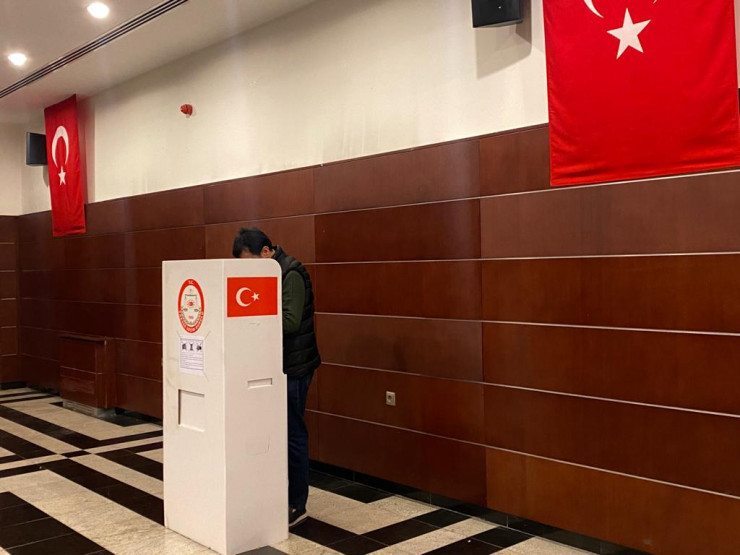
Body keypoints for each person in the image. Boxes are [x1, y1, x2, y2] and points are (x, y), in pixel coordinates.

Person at [232, 227, 321, 528]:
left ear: (266, 252)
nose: (248, 270)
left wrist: (249, 318)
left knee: (293, 433)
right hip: (273, 365)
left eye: (250, 262)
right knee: (276, 433)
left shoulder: (290, 272)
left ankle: (297, 504)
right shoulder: (268, 272)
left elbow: (291, 321)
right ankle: (276, 496)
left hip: (294, 367)